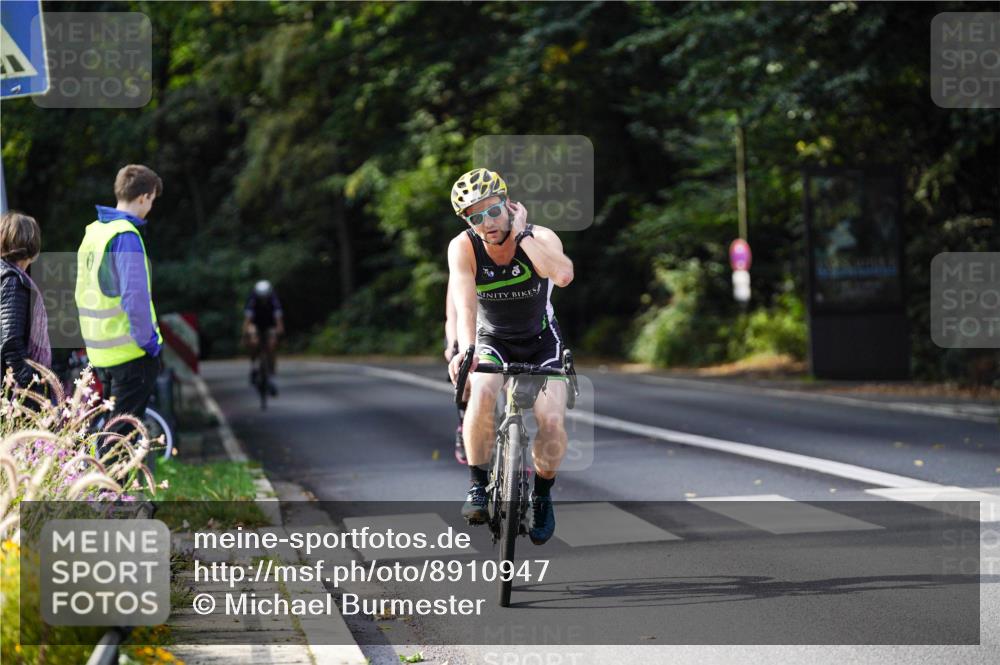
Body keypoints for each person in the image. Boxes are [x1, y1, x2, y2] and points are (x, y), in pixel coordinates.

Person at [446, 168, 574, 545]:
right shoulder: (463, 247)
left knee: (551, 422)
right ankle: (478, 485)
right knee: (483, 391)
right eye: (475, 216)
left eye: (492, 211)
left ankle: (543, 495)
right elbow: (465, 305)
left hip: (541, 340)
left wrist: (522, 235)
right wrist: (467, 351)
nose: (487, 223)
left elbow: (562, 275)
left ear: (509, 205)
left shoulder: (540, 236)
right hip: (493, 338)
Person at [75, 164, 163, 458]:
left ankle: (114, 499)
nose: (150, 207)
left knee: (113, 435)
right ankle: (112, 502)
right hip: (130, 353)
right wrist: (149, 344)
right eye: (151, 200)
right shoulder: (126, 236)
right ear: (143, 196)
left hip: (100, 352)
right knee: (120, 442)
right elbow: (134, 298)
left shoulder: (94, 233)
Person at [1, 210, 51, 401]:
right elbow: (11, 342)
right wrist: (33, 388)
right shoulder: (13, 281)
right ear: (33, 248)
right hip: (14, 392)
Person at [243, 280, 284, 396]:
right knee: (253, 340)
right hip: (256, 324)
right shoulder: (252, 300)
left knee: (271, 346)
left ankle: (271, 376)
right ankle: (254, 366)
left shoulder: (274, 300)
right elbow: (247, 321)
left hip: (269, 324)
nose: (263, 299)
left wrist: (278, 333)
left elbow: (278, 320)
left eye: (265, 297)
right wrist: (247, 334)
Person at [444, 290, 468, 464]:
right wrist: (454, 345)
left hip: (496, 328)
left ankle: (514, 444)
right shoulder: (461, 265)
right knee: (463, 371)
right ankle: (464, 422)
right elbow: (452, 316)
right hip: (464, 330)